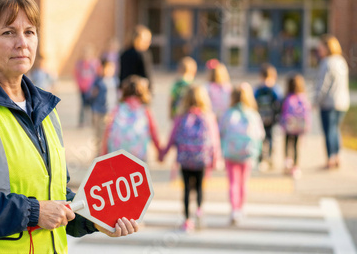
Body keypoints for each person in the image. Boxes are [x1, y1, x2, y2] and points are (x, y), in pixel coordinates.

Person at [0, 0, 138, 254]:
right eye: (8, 32)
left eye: (29, 32)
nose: (22, 42)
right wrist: (33, 212)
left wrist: (97, 219)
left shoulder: (45, 109)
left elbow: (57, 197)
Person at [161, 85, 221, 231]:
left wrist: (163, 153)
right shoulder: (208, 116)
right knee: (200, 187)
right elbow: (214, 140)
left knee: (187, 188)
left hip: (185, 158)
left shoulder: (180, 117)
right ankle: (199, 211)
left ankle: (187, 220)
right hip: (201, 159)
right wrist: (216, 158)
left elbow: (172, 137)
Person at [219, 83, 264, 225]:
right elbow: (260, 134)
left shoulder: (228, 113)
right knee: (244, 182)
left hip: (231, 153)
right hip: (247, 152)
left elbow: (221, 131)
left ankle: (234, 209)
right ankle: (241, 207)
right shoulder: (252, 114)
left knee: (233, 182)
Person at [102, 75, 161, 162]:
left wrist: (104, 153)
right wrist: (159, 150)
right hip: (138, 153)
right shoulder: (144, 110)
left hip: (118, 152)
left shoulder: (118, 108)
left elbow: (108, 130)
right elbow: (153, 131)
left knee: (120, 174)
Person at [313, 34, 350, 169]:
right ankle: (337, 156)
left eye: (320, 48)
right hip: (342, 103)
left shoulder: (326, 63)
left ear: (327, 48)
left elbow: (323, 86)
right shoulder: (341, 61)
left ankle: (330, 158)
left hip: (329, 103)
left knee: (329, 131)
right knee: (335, 130)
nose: (319, 51)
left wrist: (315, 101)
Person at [280, 73, 311, 179]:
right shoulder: (303, 98)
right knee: (296, 146)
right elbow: (307, 112)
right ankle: (296, 166)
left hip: (289, 126)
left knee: (287, 144)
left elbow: (282, 112)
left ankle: (287, 162)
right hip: (299, 127)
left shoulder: (287, 98)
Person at [253, 63, 282, 170]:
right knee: (269, 138)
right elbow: (280, 103)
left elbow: (252, 102)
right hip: (271, 119)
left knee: (262, 139)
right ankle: (267, 158)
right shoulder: (275, 89)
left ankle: (262, 159)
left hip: (261, 118)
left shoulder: (258, 89)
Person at [90, 58, 119, 154]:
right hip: (100, 111)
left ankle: (108, 154)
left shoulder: (115, 80)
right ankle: (98, 155)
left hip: (112, 111)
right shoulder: (98, 81)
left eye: (112, 68)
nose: (110, 71)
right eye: (107, 68)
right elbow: (90, 95)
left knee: (110, 135)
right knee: (99, 135)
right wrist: (93, 93)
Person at [119, 25, 153, 90]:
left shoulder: (124, 53)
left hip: (125, 90)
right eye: (147, 40)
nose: (149, 43)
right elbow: (147, 75)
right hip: (140, 91)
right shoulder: (143, 55)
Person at [75, 44, 101, 127]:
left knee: (93, 105)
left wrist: (96, 86)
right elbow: (77, 74)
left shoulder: (95, 63)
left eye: (88, 54)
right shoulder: (79, 64)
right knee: (83, 105)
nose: (86, 55)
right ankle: (81, 121)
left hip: (92, 88)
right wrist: (79, 84)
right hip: (83, 88)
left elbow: (98, 74)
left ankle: (93, 121)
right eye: (84, 53)